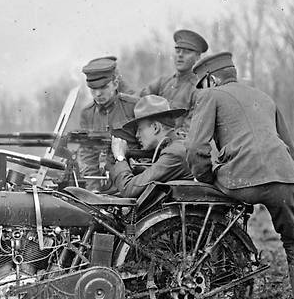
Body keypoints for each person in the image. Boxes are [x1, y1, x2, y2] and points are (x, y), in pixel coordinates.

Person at [185, 51, 294, 299]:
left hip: (241, 179)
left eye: (202, 84)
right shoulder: (264, 97)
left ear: (210, 79)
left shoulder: (211, 96)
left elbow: (194, 149)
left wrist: (207, 177)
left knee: (212, 207)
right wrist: (287, 178)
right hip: (285, 178)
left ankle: (224, 264)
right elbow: (292, 152)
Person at [107, 95, 193, 198]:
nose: (137, 135)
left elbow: (128, 189)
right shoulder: (176, 146)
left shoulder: (174, 153)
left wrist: (120, 158)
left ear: (155, 127)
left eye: (140, 129)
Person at [79, 56, 138, 191]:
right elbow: (88, 157)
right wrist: (93, 191)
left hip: (130, 182)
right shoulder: (87, 114)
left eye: (103, 87)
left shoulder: (133, 106)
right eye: (93, 89)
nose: (98, 94)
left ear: (115, 84)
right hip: (104, 187)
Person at [141, 29, 208, 136]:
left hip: (178, 143)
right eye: (178, 51)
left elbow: (189, 130)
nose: (180, 55)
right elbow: (140, 101)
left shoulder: (199, 89)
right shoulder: (163, 82)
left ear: (198, 57)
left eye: (187, 52)